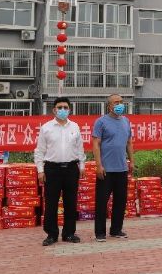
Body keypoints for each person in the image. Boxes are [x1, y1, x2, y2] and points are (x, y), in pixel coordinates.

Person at [34, 97, 86, 246]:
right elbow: (39, 151)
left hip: (71, 168)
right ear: (54, 110)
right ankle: (51, 234)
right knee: (51, 203)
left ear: (69, 109)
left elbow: (80, 148)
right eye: (59, 107)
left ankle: (69, 233)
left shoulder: (74, 127)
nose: (63, 110)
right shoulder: (46, 128)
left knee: (71, 202)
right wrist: (40, 170)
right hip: (52, 169)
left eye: (65, 107)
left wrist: (82, 165)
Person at [92, 94, 134, 242]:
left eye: (121, 102)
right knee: (102, 202)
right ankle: (100, 232)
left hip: (121, 168)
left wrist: (132, 161)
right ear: (109, 106)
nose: (120, 104)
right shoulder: (101, 122)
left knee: (120, 201)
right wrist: (99, 165)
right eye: (116, 102)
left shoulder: (126, 121)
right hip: (106, 170)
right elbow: (96, 144)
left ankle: (116, 229)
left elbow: (129, 142)